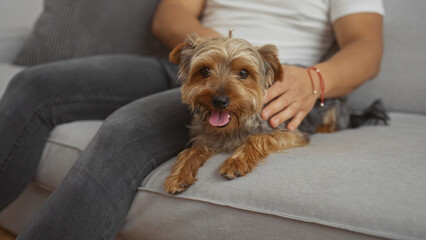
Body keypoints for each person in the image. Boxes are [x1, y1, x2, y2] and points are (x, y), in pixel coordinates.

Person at [0, 0, 384, 239]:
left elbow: (367, 47)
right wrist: (214, 54)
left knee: (122, 131)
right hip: (189, 60)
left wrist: (315, 80)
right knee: (31, 83)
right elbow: (171, 15)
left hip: (258, 80)